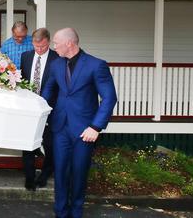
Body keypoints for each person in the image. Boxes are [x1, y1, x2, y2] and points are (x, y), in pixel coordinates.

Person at [41, 28, 118, 218]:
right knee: (60, 172)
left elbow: (109, 98)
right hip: (60, 128)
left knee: (79, 173)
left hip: (85, 130)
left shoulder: (96, 65)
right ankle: (60, 213)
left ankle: (76, 212)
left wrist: (95, 127)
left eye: (56, 42)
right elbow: (47, 93)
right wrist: (35, 112)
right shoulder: (56, 65)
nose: (54, 46)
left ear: (69, 43)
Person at [19, 28, 59, 190]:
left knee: (49, 145)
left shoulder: (57, 58)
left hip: (51, 108)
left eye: (42, 46)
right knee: (27, 143)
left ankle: (44, 175)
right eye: (37, 46)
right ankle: (29, 177)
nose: (40, 50)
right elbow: (23, 80)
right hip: (29, 109)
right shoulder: (26, 56)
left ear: (48, 42)